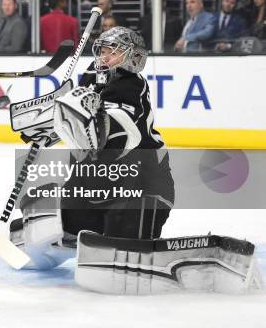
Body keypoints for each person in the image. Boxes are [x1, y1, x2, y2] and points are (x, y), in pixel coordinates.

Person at [9, 27, 173, 272]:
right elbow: (78, 127)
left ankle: (130, 245)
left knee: (121, 237)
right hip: (94, 185)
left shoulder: (131, 85)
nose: (104, 57)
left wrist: (77, 114)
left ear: (133, 57)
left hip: (141, 186)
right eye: (102, 51)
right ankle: (61, 240)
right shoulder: (90, 78)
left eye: (112, 52)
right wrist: (50, 125)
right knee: (41, 215)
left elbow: (119, 136)